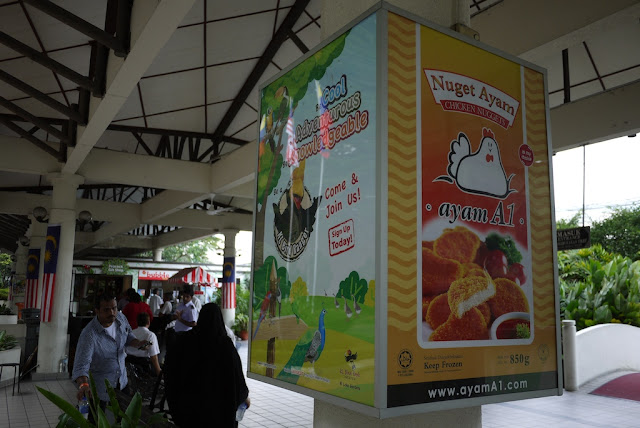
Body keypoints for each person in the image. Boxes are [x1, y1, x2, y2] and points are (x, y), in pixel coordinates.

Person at [165, 303, 249, 427]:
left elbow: (171, 371)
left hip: (190, 411)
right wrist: (244, 396)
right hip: (218, 413)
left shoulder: (185, 341)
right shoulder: (225, 345)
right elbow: (237, 378)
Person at [72, 294, 151, 421]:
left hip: (122, 381)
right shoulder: (89, 335)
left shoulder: (121, 318)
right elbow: (81, 366)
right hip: (99, 389)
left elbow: (129, 337)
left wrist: (139, 344)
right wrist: (84, 385)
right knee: (96, 422)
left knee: (125, 419)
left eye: (114, 308)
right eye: (106, 310)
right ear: (97, 311)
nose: (112, 313)